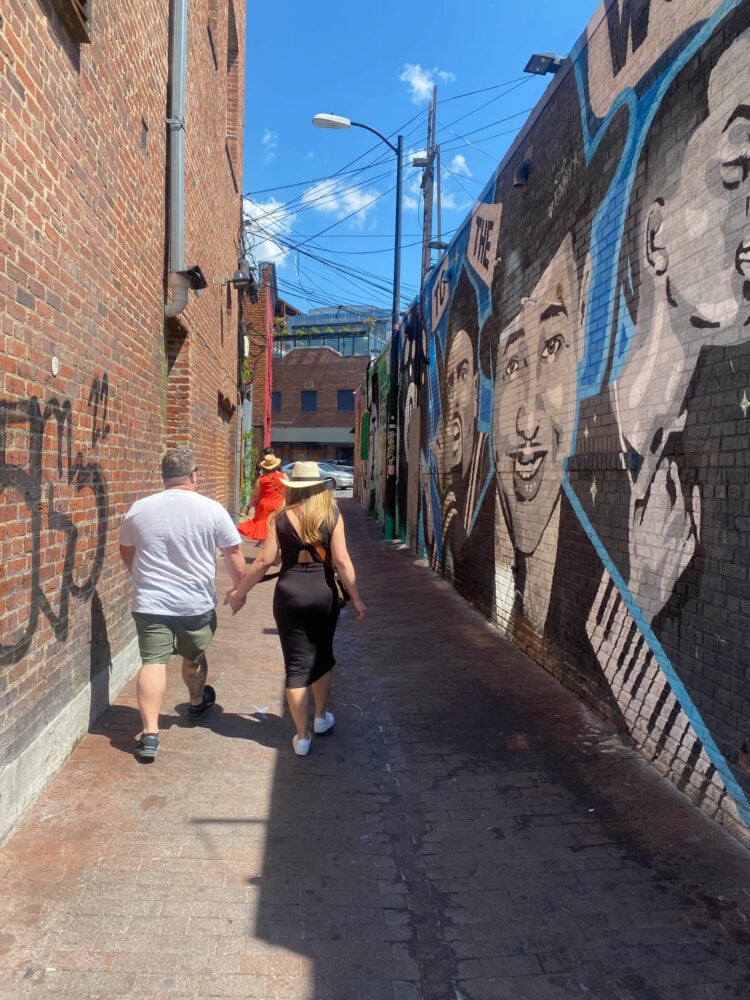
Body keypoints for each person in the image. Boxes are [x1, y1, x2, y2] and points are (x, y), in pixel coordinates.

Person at [225, 461, 366, 756]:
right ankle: (320, 718)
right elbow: (342, 561)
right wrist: (356, 597)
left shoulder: (280, 517)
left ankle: (301, 737)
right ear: (318, 486)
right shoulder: (332, 515)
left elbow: (264, 561)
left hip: (289, 593)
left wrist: (240, 592)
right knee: (323, 655)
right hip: (322, 592)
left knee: (297, 664)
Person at [119, 446, 245, 761]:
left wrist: (142, 578)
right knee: (194, 656)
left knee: (153, 662)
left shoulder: (139, 509)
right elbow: (233, 554)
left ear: (163, 477)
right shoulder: (212, 510)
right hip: (195, 604)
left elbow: (126, 550)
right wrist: (239, 588)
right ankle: (195, 700)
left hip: (151, 602)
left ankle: (149, 735)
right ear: (193, 476)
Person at [238, 452, 286, 541]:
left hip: (265, 507)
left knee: (265, 530)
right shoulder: (283, 476)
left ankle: (267, 547)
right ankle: (275, 550)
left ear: (264, 467)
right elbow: (288, 490)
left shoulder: (261, 480)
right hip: (279, 505)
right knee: (277, 529)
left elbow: (254, 496)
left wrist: (248, 508)